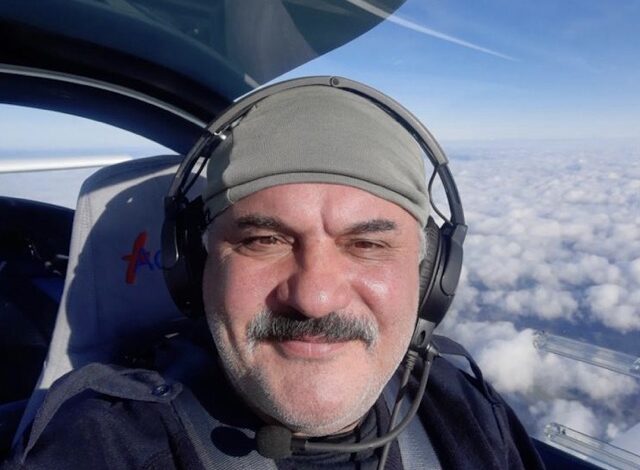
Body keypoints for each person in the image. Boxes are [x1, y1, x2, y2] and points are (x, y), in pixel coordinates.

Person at [4, 80, 544, 469]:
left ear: (431, 278)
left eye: (368, 244)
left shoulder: (463, 407)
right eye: (264, 240)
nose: (314, 297)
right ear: (195, 268)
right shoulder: (105, 438)